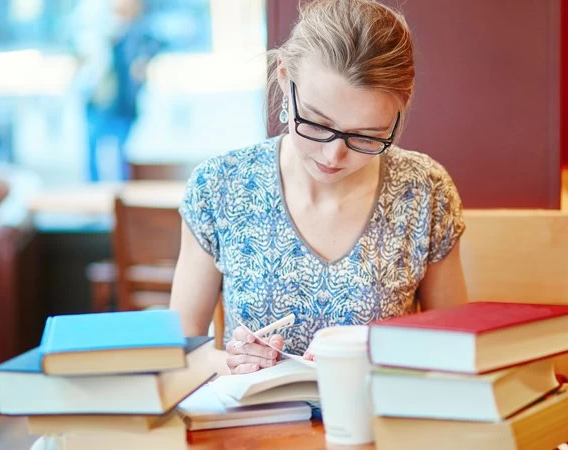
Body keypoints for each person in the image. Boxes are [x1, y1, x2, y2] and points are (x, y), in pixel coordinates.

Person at [170, 0, 468, 376]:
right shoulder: (220, 186)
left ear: (399, 111)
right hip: (254, 429)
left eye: (366, 135)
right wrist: (234, 362)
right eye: (316, 123)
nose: (333, 155)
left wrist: (376, 351)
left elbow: (457, 349)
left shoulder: (425, 190)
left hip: (381, 425)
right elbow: (179, 353)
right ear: (283, 77)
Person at [73, 0, 164, 182]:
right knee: (93, 152)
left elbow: (154, 46)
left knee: (120, 154)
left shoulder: (139, 34)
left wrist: (142, 64)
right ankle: (94, 196)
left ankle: (121, 196)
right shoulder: (95, 30)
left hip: (123, 103)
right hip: (97, 100)